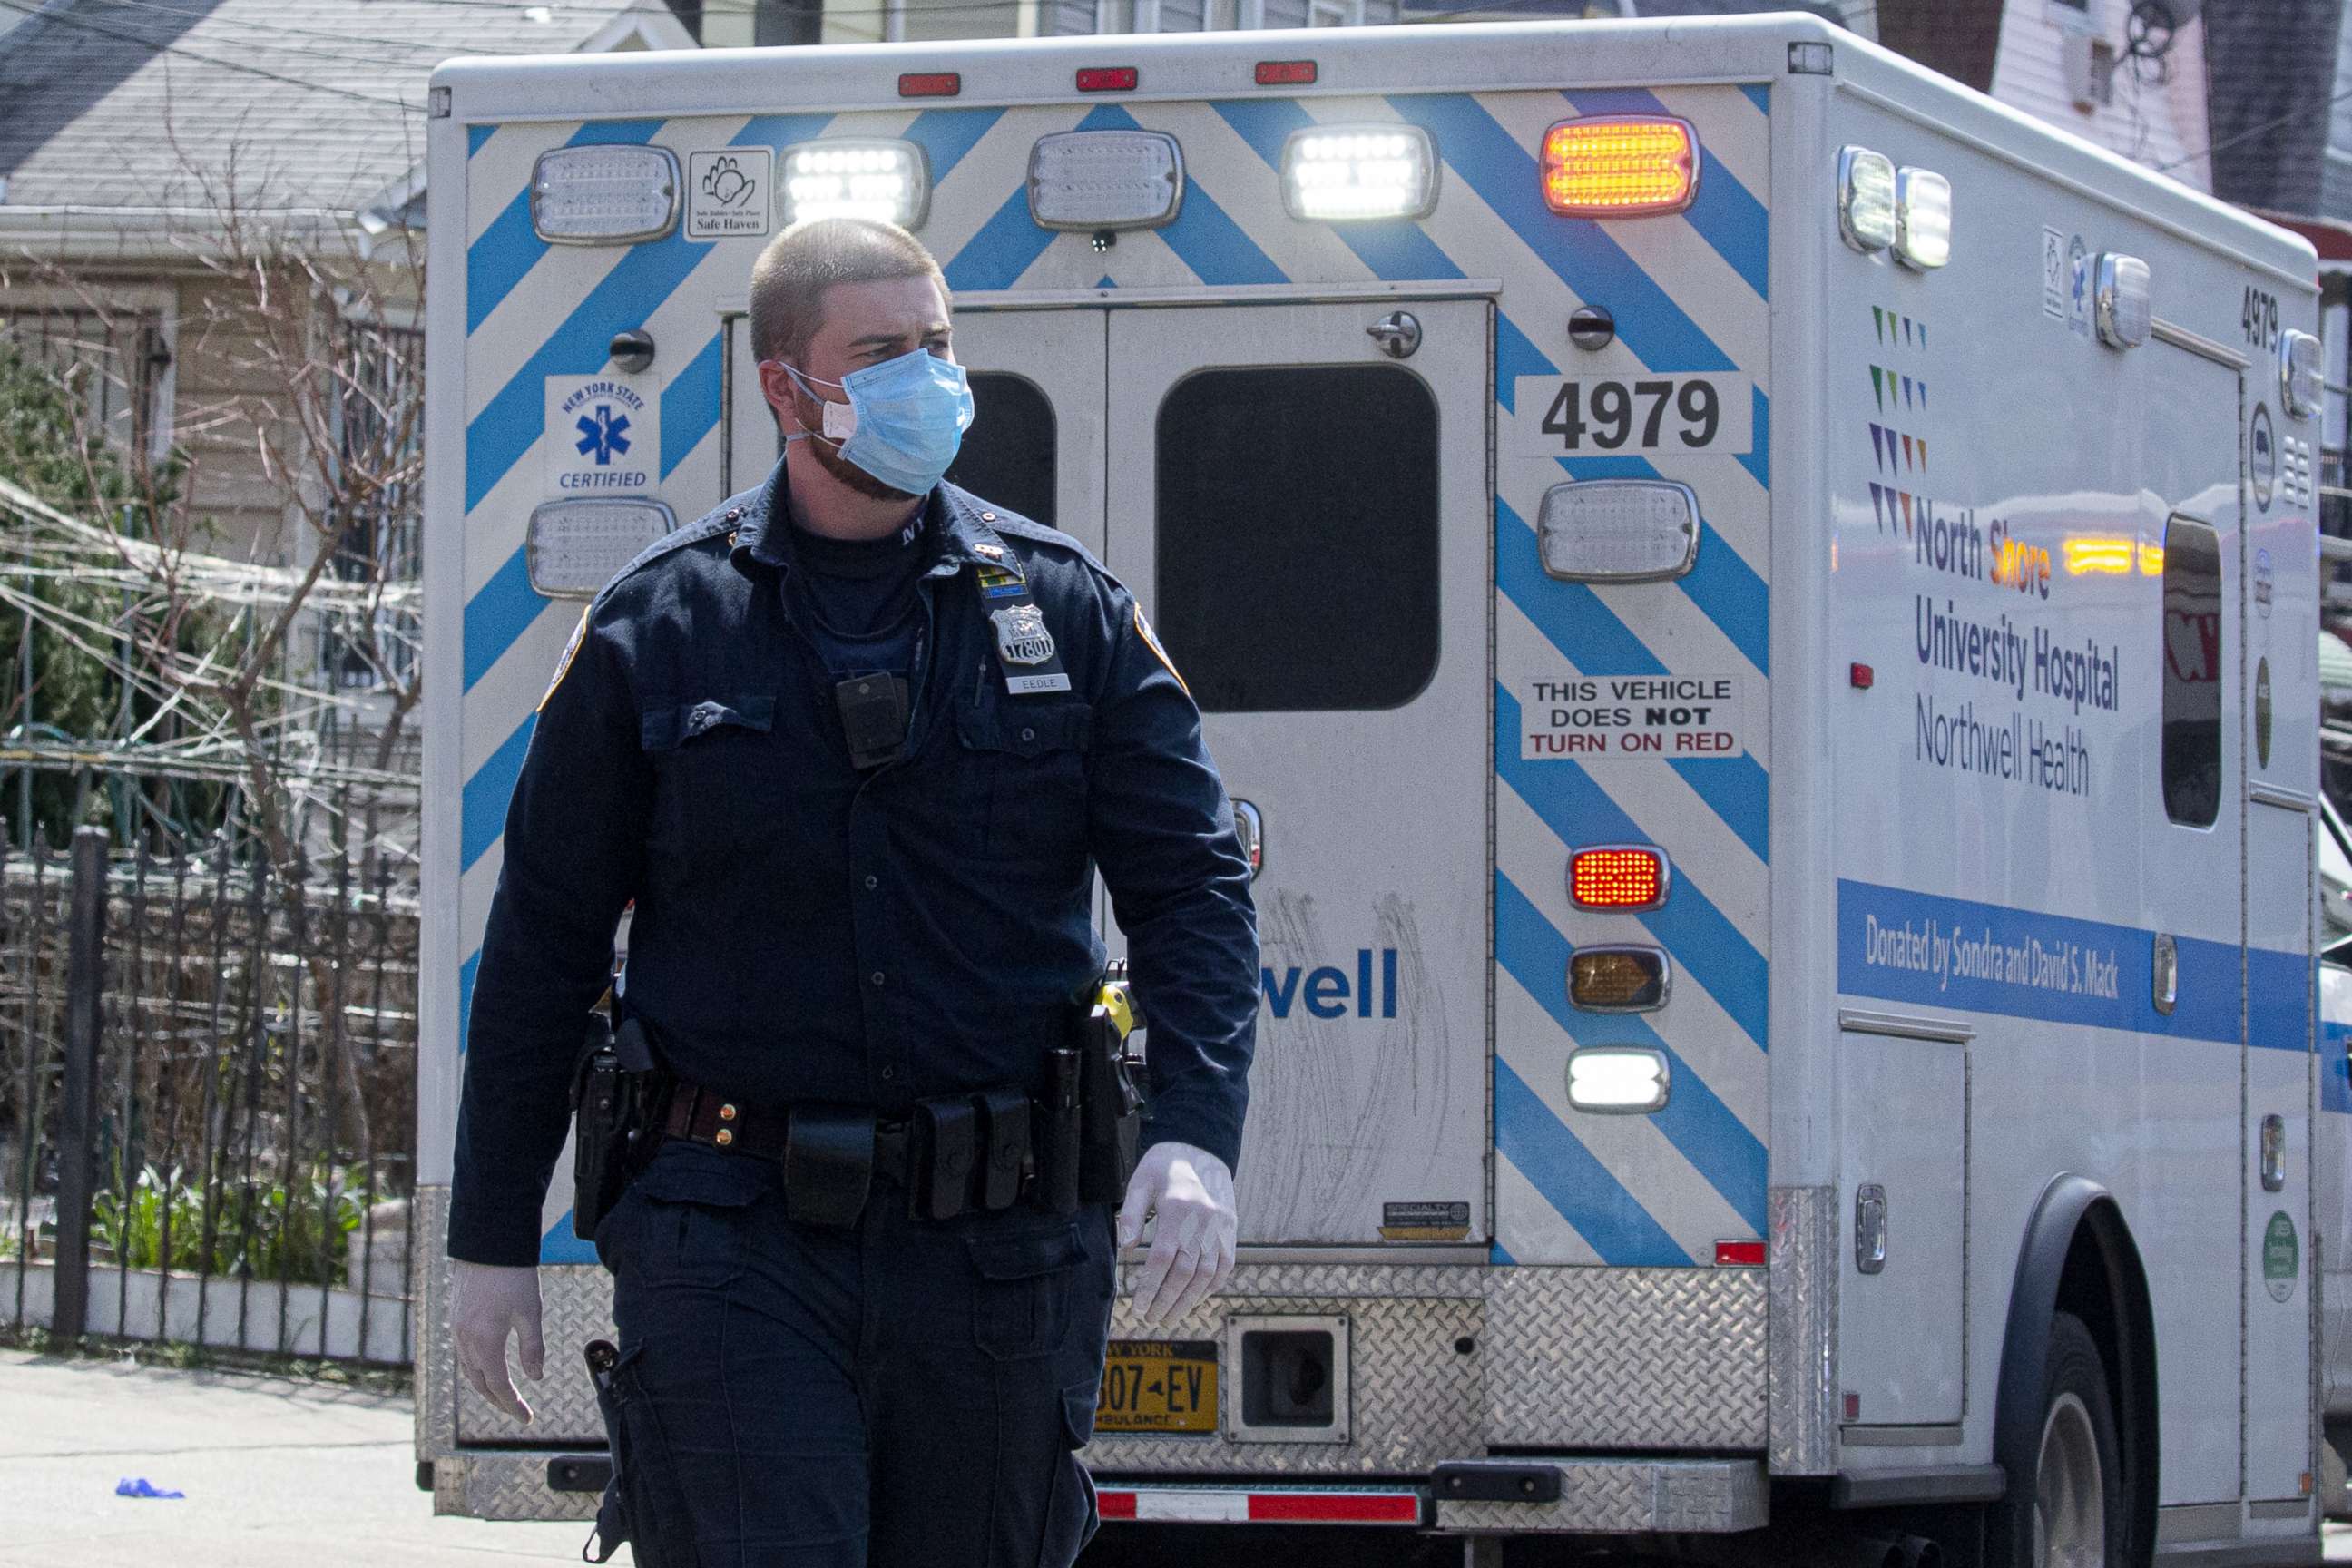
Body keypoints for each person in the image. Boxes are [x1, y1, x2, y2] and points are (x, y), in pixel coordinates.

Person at [445, 217, 1259, 1567]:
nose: (925, 378)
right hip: (731, 1243)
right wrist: (488, 1239)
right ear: (786, 387)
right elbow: (542, 945)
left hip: (999, 1253)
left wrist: (1197, 1127)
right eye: (881, 352)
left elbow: (1193, 889)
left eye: (937, 346)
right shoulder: (659, 626)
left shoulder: (1067, 613)